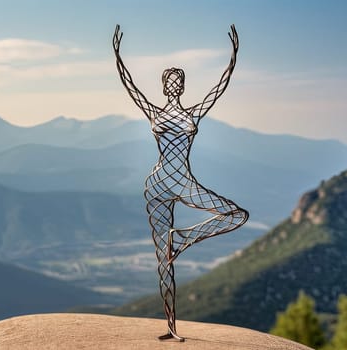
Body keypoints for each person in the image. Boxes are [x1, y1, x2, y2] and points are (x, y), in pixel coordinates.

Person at [113, 24, 249, 341]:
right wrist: (118, 55)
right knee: (164, 260)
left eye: (179, 81)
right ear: (164, 87)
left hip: (183, 181)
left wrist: (233, 57)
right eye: (171, 81)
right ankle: (171, 328)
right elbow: (130, 86)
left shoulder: (193, 113)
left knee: (236, 214)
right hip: (160, 183)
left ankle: (185, 236)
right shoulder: (154, 113)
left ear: (183, 87)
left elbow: (219, 88)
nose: (175, 85)